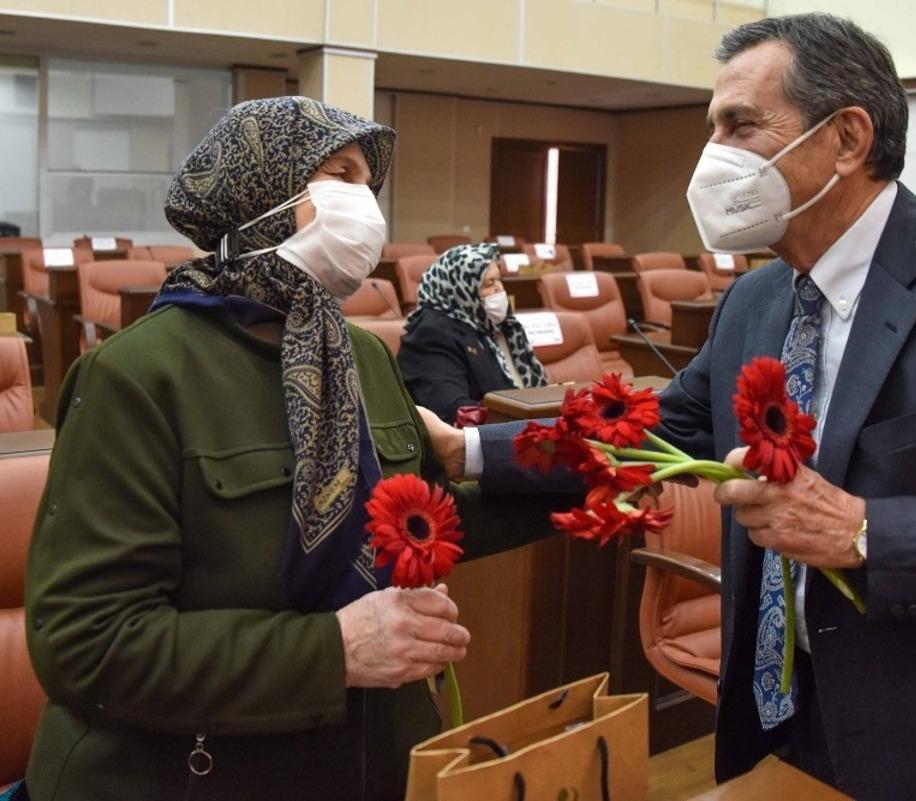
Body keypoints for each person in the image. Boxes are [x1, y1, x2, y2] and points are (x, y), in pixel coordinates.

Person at [425, 13, 916, 801]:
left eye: (740, 125)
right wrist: (469, 451)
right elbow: (648, 429)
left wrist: (863, 530)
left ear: (848, 138)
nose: (711, 156)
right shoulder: (755, 299)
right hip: (793, 724)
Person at [22, 97, 570, 801]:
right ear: (260, 196)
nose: (364, 203)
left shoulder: (364, 356)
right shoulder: (138, 374)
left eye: (368, 184)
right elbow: (86, 642)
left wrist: (592, 482)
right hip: (194, 770)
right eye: (339, 175)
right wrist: (334, 651)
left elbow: (428, 517)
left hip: (366, 756)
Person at [399, 243, 549, 424]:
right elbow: (456, 410)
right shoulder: (431, 334)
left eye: (499, 280)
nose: (500, 290)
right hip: (483, 440)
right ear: (461, 290)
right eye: (489, 283)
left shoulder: (505, 327)